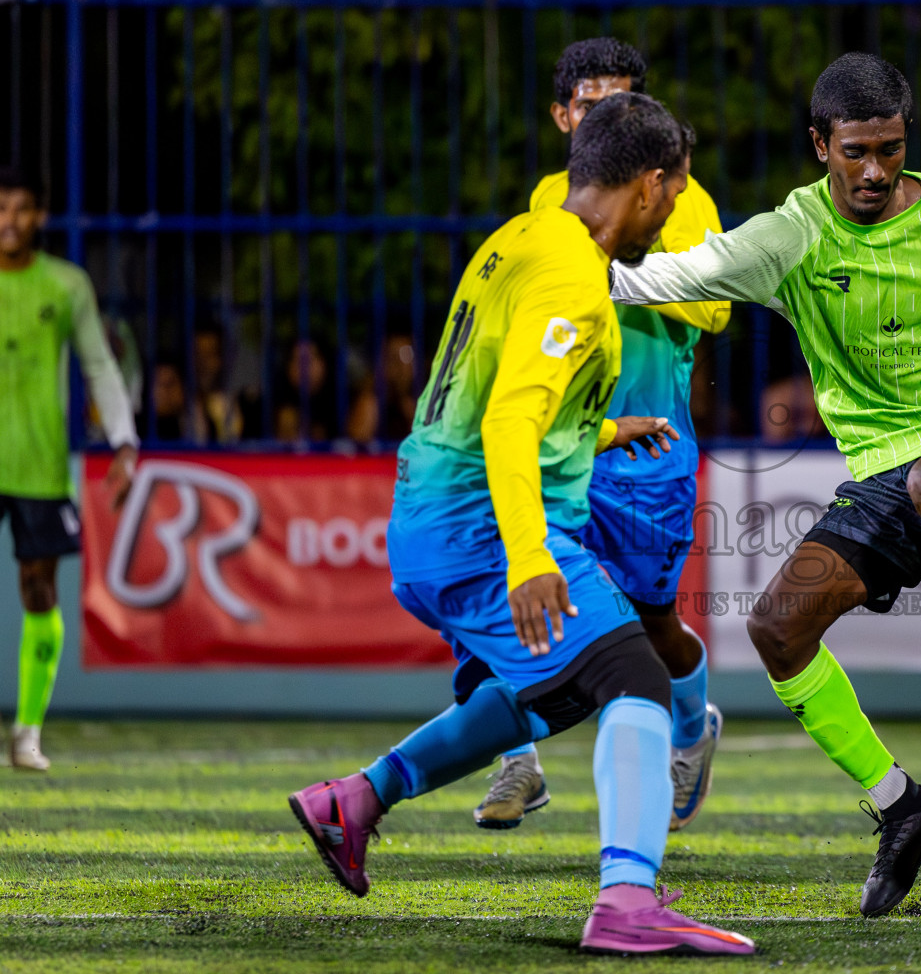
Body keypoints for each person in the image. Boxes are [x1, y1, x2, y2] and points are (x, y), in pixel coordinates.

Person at [287, 93, 753, 955]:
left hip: (431, 514)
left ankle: (353, 800)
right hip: (480, 529)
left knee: (553, 694)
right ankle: (626, 903)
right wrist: (530, 555)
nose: (675, 214)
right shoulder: (577, 279)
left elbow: (501, 394)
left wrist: (610, 429)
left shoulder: (519, 238)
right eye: (677, 195)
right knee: (638, 679)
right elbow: (507, 421)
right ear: (651, 187)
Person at [610, 53, 921, 917]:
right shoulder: (791, 237)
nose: (876, 170)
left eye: (890, 149)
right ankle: (903, 808)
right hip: (896, 472)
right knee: (777, 629)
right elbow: (668, 277)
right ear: (821, 145)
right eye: (856, 151)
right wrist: (554, 275)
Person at [474, 37, 732, 835]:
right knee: (512, 588)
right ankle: (518, 759)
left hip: (650, 451)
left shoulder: (684, 195)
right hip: (566, 443)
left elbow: (718, 308)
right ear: (562, 115)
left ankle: (693, 728)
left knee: (653, 622)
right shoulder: (550, 196)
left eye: (624, 102)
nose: (608, 116)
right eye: (592, 104)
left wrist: (617, 276)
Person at [0, 165, 137, 770]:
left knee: (38, 589)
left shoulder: (66, 284)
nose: (10, 220)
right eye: (1, 207)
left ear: (40, 217)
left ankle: (27, 730)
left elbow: (100, 367)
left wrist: (124, 442)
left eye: (21, 208)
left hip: (38, 466)